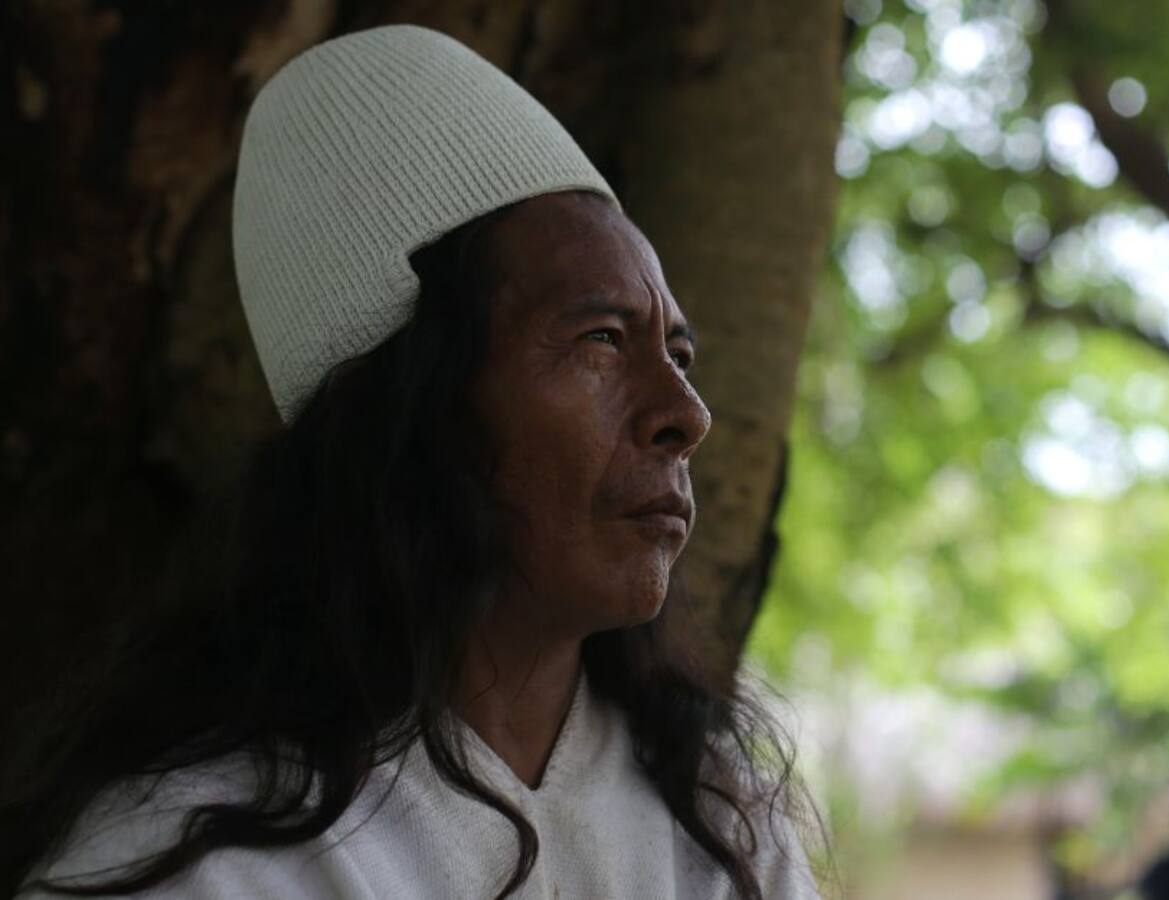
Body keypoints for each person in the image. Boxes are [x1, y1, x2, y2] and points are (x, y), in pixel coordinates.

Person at [5, 25, 821, 900]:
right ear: (408, 415)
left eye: (678, 355)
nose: (686, 417)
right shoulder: (201, 870)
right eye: (601, 341)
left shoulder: (720, 824)